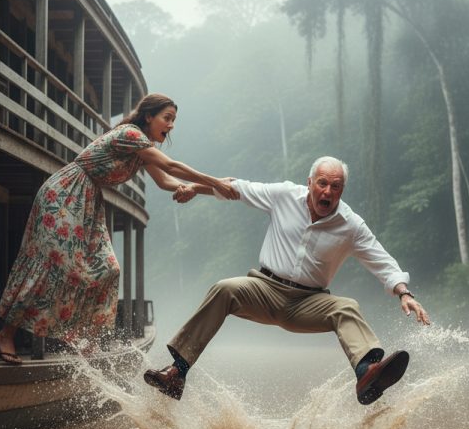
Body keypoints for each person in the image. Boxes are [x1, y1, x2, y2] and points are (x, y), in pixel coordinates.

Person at [144, 156, 430, 405]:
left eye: (335, 186)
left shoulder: (351, 224)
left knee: (346, 306)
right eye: (322, 183)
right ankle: (177, 373)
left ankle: (366, 374)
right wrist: (196, 188)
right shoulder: (283, 195)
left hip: (309, 302)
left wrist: (404, 293)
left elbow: (381, 260)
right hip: (264, 290)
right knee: (224, 289)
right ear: (310, 183)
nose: (327, 192)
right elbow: (234, 188)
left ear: (342, 190)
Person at [0, 93, 236, 364]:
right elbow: (170, 165)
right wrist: (216, 181)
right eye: (167, 118)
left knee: (108, 268)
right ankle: (7, 334)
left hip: (89, 202)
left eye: (173, 120)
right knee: (54, 263)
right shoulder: (130, 134)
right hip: (65, 193)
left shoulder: (141, 150)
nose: (171, 126)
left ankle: (85, 339)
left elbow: (166, 180)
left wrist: (210, 189)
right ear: (148, 116)